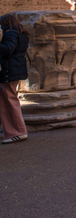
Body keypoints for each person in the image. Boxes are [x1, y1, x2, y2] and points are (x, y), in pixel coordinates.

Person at [0, 14, 29, 144]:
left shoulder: (10, 33)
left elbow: (8, 49)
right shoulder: (20, 32)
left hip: (9, 70)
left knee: (10, 101)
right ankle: (13, 130)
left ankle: (18, 132)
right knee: (6, 101)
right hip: (13, 69)